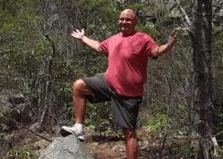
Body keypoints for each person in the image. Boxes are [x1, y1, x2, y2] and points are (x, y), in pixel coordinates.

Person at [61, 9, 177, 159]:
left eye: (128, 20)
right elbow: (98, 46)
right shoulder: (114, 39)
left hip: (128, 94)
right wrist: (83, 38)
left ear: (135, 22)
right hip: (108, 82)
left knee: (129, 133)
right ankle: (78, 127)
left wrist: (168, 45)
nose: (124, 22)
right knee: (79, 86)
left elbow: (156, 51)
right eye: (121, 19)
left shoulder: (142, 38)